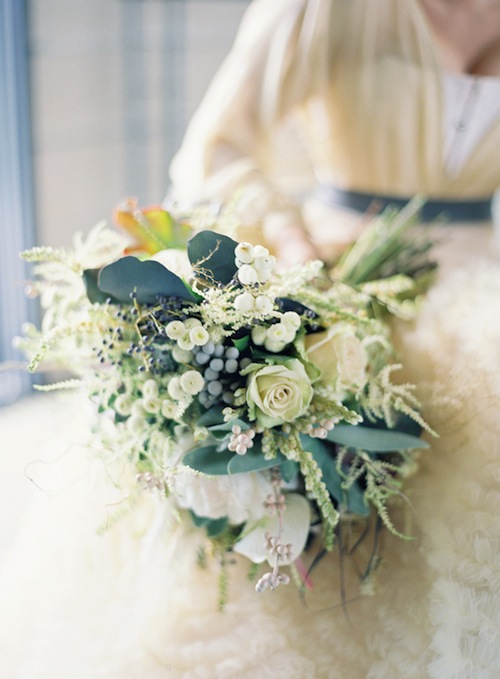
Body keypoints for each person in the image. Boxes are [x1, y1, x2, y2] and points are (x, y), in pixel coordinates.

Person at [1, 1, 499, 677]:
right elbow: (214, 146)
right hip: (328, 260)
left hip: (478, 281)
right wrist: (290, 247)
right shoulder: (327, 9)